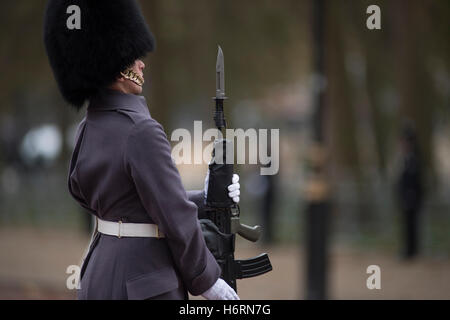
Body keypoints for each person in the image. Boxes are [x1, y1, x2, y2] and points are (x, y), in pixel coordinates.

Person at [44, 0, 240, 300]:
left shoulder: (88, 127)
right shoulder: (141, 130)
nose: (142, 63)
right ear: (118, 67)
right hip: (144, 281)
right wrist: (207, 281)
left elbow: (101, 196)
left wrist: (205, 197)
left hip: (99, 270)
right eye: (135, 57)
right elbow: (174, 215)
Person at [397, 123, 424, 260]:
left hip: (412, 197)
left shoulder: (414, 158)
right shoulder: (407, 158)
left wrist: (411, 196)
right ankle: (409, 249)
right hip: (407, 197)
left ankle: (412, 250)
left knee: (412, 225)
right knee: (408, 225)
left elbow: (414, 180)